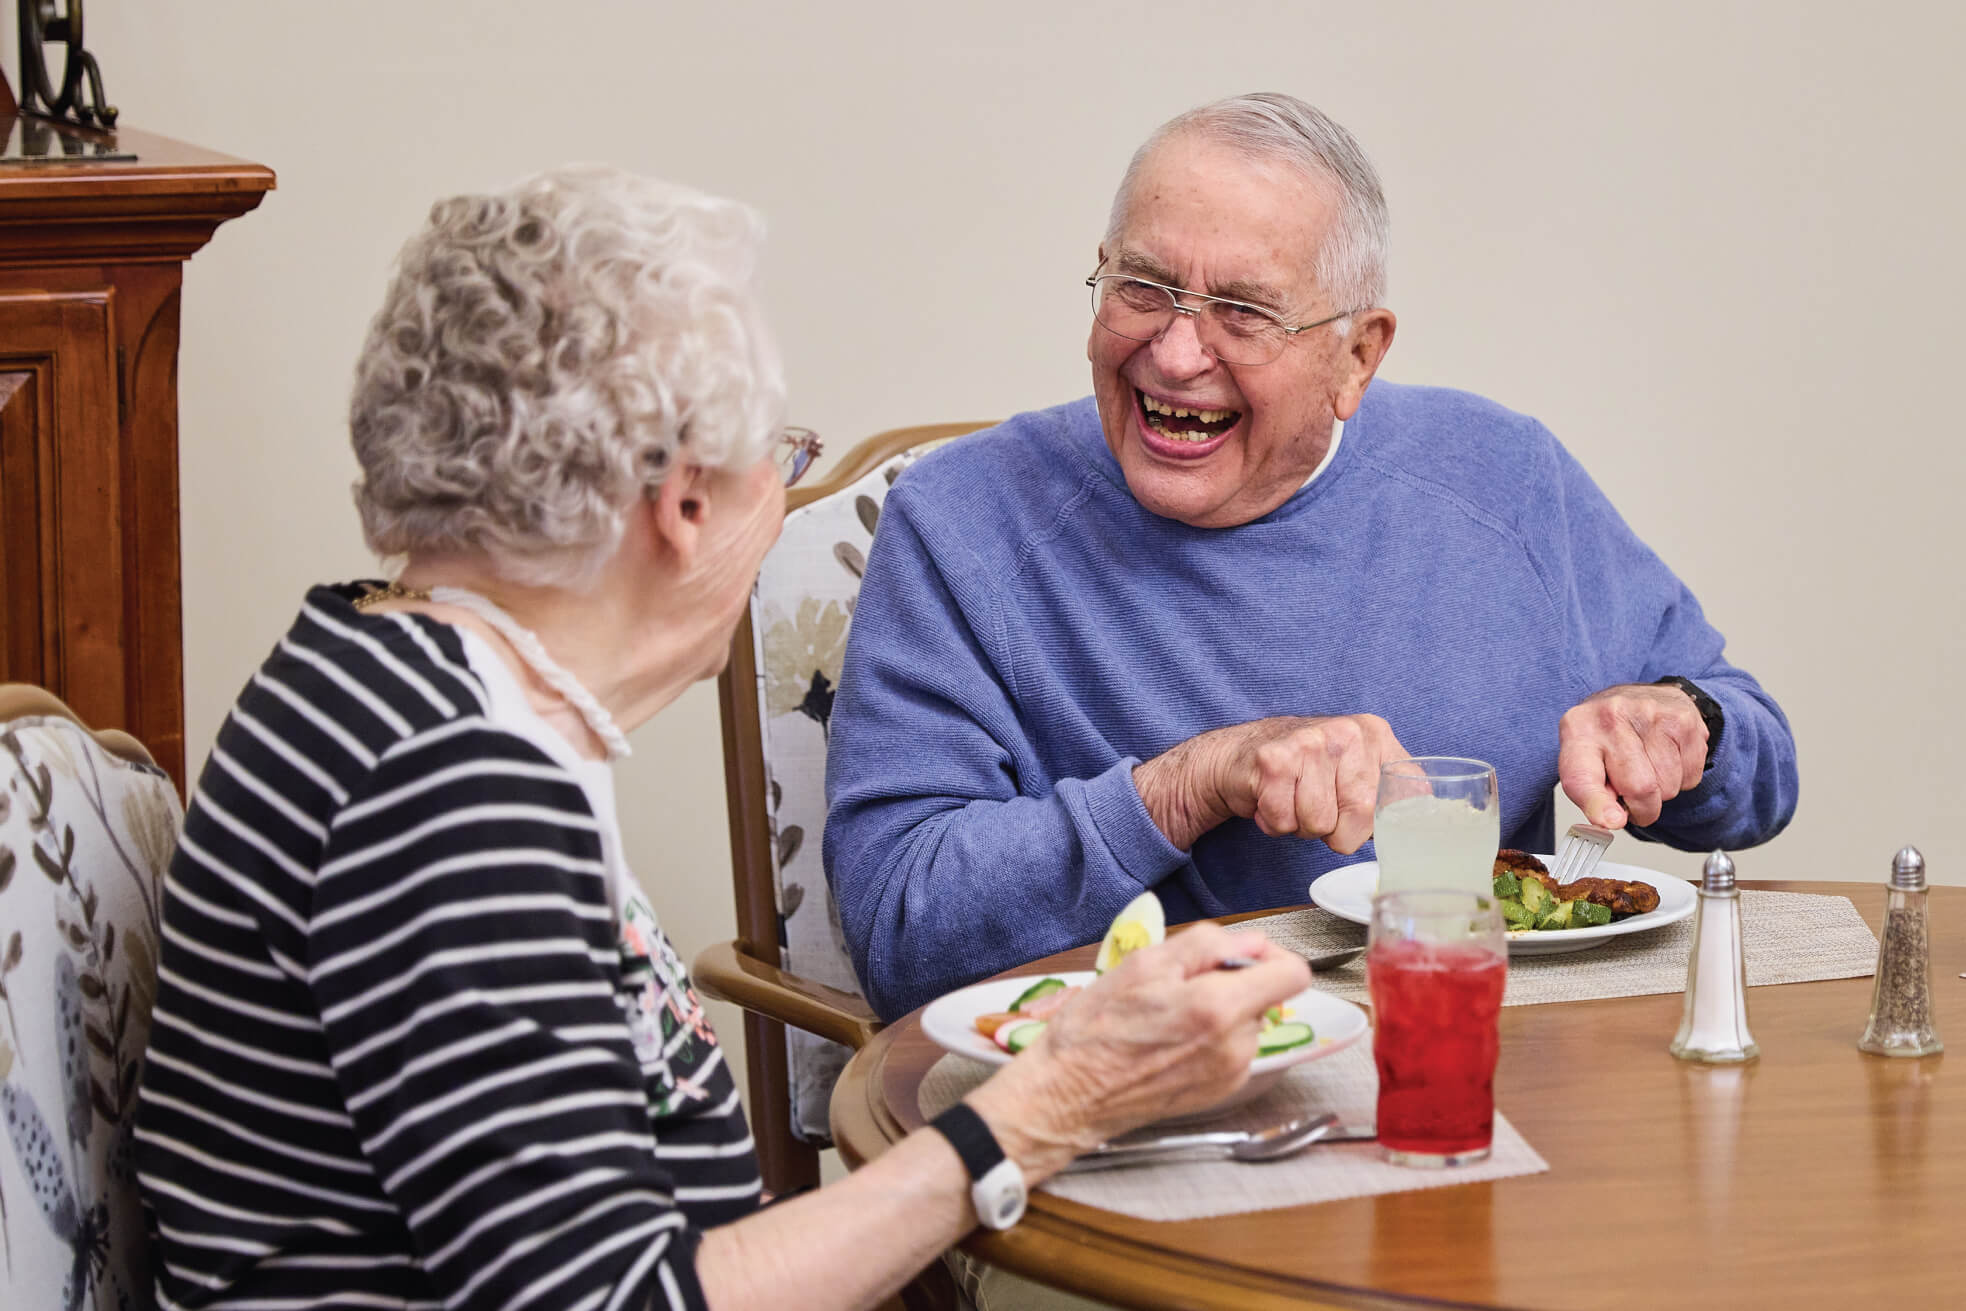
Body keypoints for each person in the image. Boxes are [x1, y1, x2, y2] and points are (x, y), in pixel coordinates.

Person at [133, 165, 1308, 1311]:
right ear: (685, 505)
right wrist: (1054, 1102)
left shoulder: (382, 674)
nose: (776, 499)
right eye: (780, 460)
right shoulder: (450, 790)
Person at [825, 92, 1800, 1022]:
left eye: (1243, 313)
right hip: (1129, 1117)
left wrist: (1686, 727)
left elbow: (1758, 773)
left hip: (1471, 1079)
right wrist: (1191, 782)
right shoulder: (961, 521)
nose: (1173, 355)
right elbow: (898, 930)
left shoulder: (1503, 478)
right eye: (1144, 288)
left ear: (1356, 358)